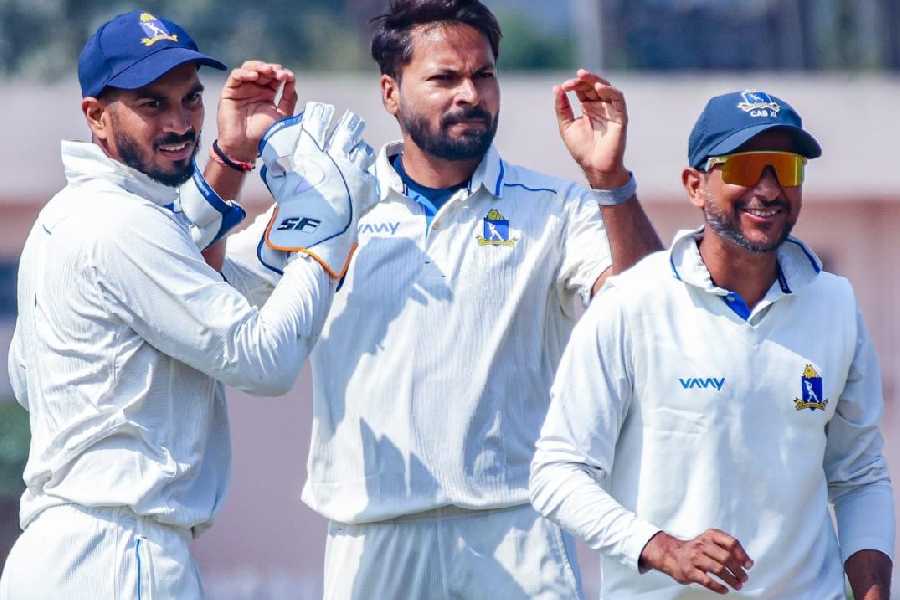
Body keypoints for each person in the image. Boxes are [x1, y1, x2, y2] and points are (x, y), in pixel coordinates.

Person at [222, 0, 662, 597]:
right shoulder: (332, 206)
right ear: (390, 93)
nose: (470, 94)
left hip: (515, 531)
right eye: (443, 78)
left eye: (483, 75)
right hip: (371, 533)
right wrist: (231, 158)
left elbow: (643, 310)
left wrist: (611, 181)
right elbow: (207, 287)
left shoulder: (556, 207)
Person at [0, 10, 375, 599]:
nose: (179, 122)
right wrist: (327, 235)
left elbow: (179, 270)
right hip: (121, 558)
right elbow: (263, 362)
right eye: (151, 104)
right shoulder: (120, 225)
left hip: (64, 555)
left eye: (190, 99)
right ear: (96, 116)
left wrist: (232, 157)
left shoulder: (68, 216)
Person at [530, 89, 895, 599]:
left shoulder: (834, 302)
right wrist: (662, 548)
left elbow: (860, 476)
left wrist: (873, 592)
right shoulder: (632, 301)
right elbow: (557, 474)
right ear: (694, 185)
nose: (768, 190)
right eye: (745, 167)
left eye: (785, 169)